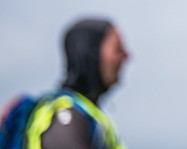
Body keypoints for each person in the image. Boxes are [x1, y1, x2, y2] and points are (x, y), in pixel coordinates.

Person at [22, 18, 129, 149]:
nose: (126, 56)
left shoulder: (89, 115)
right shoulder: (67, 116)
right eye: (118, 49)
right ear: (92, 53)